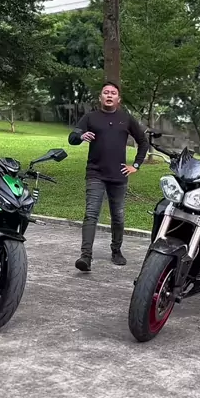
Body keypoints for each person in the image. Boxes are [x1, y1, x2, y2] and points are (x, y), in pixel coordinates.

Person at [68, 82, 149, 272]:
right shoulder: (90, 117)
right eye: (106, 92)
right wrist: (81, 137)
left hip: (118, 175)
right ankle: (85, 257)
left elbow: (143, 142)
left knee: (118, 216)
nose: (109, 95)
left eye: (113, 93)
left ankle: (116, 251)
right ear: (100, 97)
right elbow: (72, 138)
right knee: (91, 214)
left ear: (118, 99)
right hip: (95, 173)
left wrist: (136, 165)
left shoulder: (126, 119)